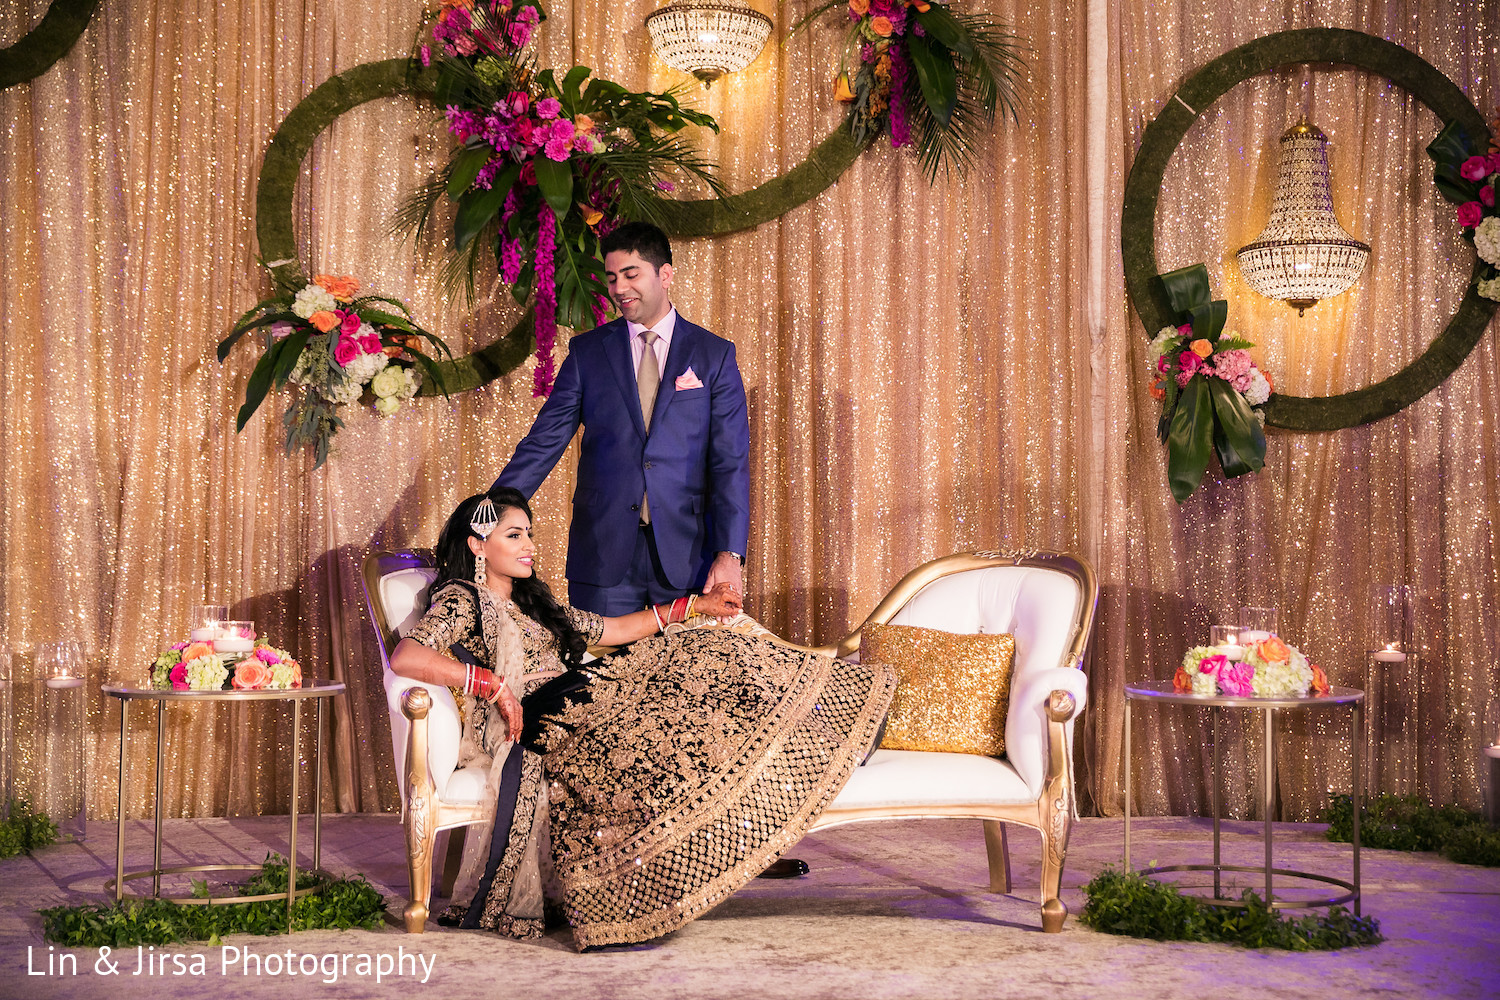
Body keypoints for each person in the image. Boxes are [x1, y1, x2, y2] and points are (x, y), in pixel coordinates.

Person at [389, 489, 894, 950]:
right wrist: (489, 683)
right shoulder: (462, 599)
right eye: (514, 535)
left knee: (700, 646)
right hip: (545, 713)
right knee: (688, 661)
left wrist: (695, 605)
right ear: (479, 546)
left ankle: (826, 729)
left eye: (530, 534)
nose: (529, 546)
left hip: (575, 695)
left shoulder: (531, 603)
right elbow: (406, 657)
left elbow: (610, 628)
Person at [492, 221, 750, 617]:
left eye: (631, 274)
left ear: (665, 275)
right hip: (602, 556)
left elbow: (729, 461)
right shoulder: (588, 353)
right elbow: (544, 442)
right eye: (612, 278)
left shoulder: (714, 354)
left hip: (687, 558)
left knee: (683, 676)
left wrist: (729, 553)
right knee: (600, 675)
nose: (619, 288)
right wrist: (490, 512)